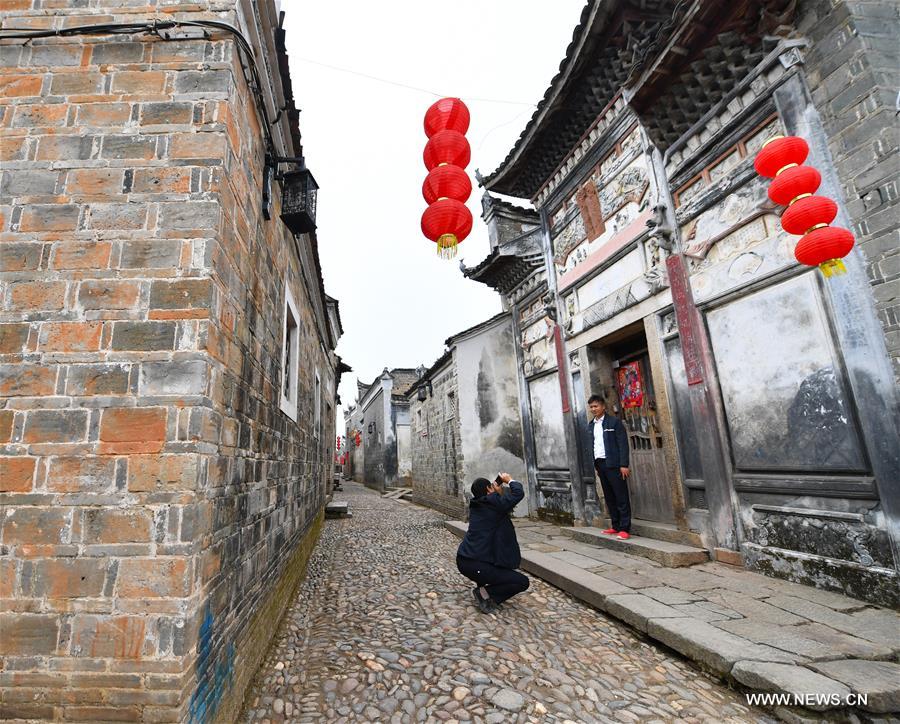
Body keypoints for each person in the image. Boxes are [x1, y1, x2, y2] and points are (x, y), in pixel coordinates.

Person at [456, 473, 529, 613]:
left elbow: (501, 508)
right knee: (521, 581)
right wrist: (509, 480)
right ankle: (485, 594)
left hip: (465, 560)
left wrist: (497, 494)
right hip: (475, 564)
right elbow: (518, 493)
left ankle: (483, 586)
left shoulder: (478, 505)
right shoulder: (493, 504)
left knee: (501, 570)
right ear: (489, 490)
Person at [587, 395, 632, 539]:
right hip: (600, 464)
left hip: (614, 464)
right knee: (609, 496)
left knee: (621, 495)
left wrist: (624, 464)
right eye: (591, 407)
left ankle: (625, 528)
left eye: (596, 406)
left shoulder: (614, 422)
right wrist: (595, 465)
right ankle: (615, 525)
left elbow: (623, 444)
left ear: (603, 407)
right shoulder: (591, 425)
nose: (593, 409)